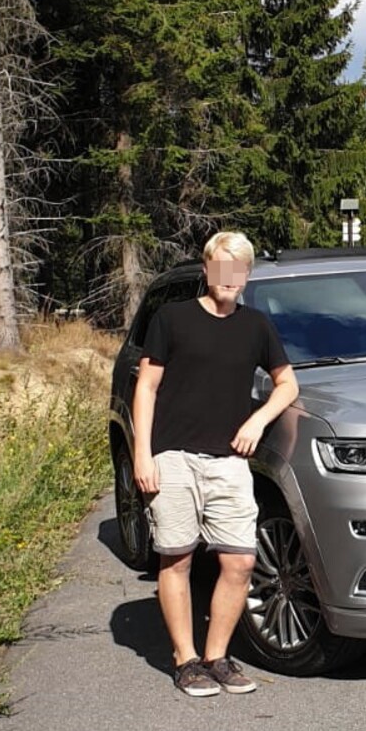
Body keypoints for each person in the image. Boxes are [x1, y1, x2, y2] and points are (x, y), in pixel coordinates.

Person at [132, 231, 299, 694]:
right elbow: (144, 388)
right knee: (178, 556)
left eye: (238, 269)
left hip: (228, 460)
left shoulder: (256, 326)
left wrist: (257, 422)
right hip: (174, 456)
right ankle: (186, 660)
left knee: (240, 561)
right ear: (207, 270)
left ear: (245, 276)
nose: (229, 277)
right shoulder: (172, 319)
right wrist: (143, 455)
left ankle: (217, 657)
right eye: (222, 266)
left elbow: (288, 385)